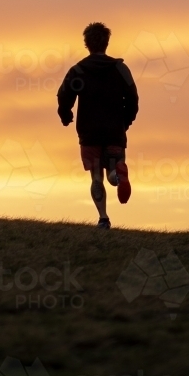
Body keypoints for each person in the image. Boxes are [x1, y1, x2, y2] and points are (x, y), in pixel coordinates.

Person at [57, 22, 138, 229]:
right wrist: (125, 122)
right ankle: (118, 175)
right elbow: (133, 99)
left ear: (87, 44)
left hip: (89, 132)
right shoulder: (120, 69)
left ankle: (103, 218)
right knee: (112, 169)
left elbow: (64, 95)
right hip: (114, 132)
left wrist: (66, 115)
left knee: (95, 177)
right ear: (107, 42)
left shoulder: (78, 70)